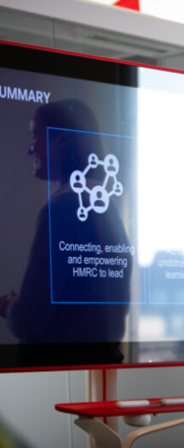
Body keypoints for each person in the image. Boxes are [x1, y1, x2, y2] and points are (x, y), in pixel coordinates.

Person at [0, 99, 130, 365]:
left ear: (62, 140)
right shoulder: (109, 209)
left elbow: (28, 317)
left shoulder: (61, 209)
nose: (29, 149)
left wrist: (9, 307)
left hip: (53, 375)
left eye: (34, 135)